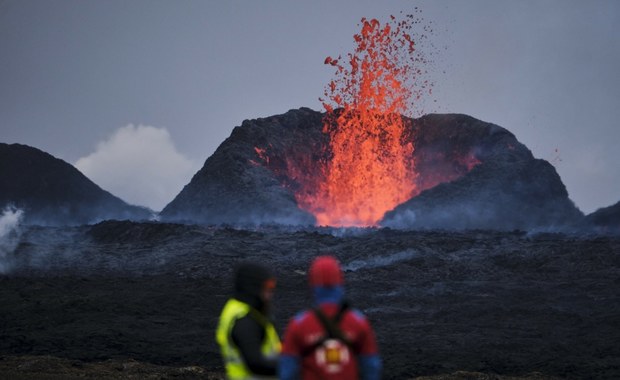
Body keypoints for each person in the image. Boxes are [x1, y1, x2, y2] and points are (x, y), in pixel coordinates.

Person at [279, 255, 382, 380]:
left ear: (312, 283)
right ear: (340, 281)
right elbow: (371, 366)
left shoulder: (300, 323)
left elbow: (287, 370)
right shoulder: (358, 321)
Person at [216, 262, 281, 379]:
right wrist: (293, 365)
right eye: (268, 288)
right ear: (254, 288)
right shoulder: (244, 321)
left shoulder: (241, 309)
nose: (270, 294)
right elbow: (255, 364)